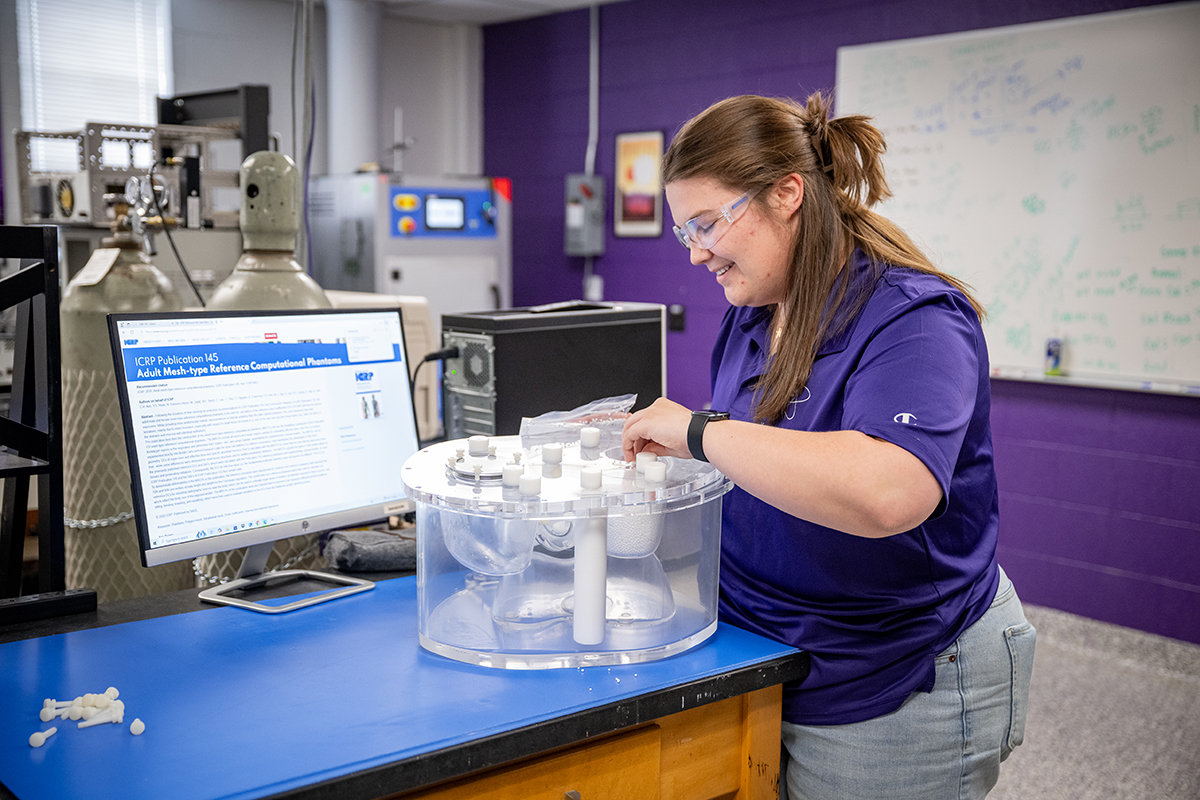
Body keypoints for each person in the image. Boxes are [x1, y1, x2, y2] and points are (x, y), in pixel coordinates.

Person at [621, 92, 1036, 799]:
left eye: (705, 224)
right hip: (764, 653)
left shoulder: (914, 320)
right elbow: (761, 456)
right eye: (680, 231)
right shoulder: (756, 313)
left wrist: (699, 432)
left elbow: (886, 492)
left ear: (787, 193)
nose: (695, 253)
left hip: (892, 672)